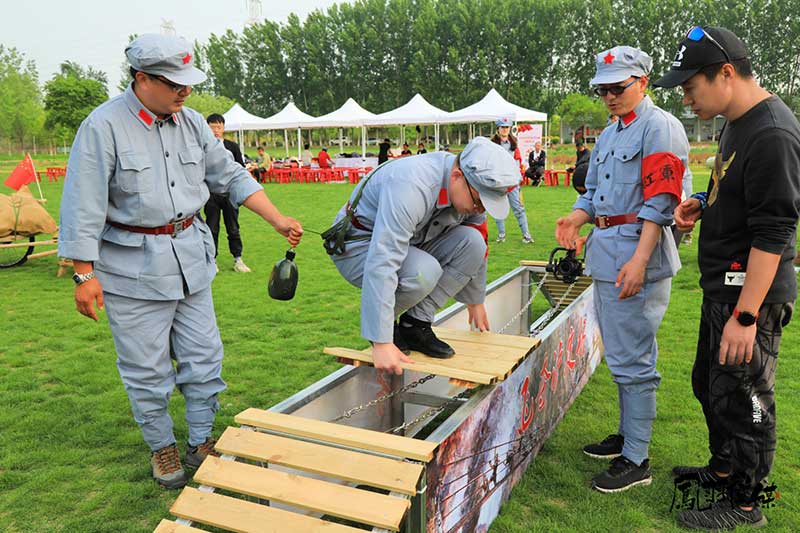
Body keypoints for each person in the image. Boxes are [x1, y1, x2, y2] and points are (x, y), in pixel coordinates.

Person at [58, 34, 303, 490]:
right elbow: (81, 205)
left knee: (204, 358)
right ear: (141, 79)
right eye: (173, 82)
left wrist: (274, 218)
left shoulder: (191, 123)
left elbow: (230, 176)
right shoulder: (103, 127)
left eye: (187, 82)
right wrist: (83, 274)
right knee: (147, 370)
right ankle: (162, 447)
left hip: (191, 258)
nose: (184, 91)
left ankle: (201, 440)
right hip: (132, 269)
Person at [654, 26, 799, 530]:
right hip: (723, 290)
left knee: (750, 399)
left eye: (691, 86)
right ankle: (722, 469)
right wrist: (702, 203)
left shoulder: (773, 133)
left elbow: (775, 231)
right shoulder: (735, 121)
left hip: (749, 300)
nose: (687, 98)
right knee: (709, 385)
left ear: (727, 74)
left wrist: (745, 315)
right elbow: (733, 189)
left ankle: (746, 503)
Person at [555, 45, 689, 493]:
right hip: (608, 254)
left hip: (638, 258)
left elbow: (662, 202)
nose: (610, 96)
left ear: (643, 82)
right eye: (603, 89)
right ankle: (627, 437)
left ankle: (637, 458)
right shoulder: (612, 132)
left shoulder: (661, 127)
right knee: (621, 355)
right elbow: (592, 193)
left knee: (634, 361)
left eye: (619, 87)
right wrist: (575, 218)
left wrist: (638, 259)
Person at [324, 137, 520, 374]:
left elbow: (480, 237)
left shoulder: (468, 186)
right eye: (479, 202)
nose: (480, 210)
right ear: (457, 176)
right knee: (424, 271)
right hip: (359, 245)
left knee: (473, 243)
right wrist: (381, 340)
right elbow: (383, 259)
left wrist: (475, 299)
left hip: (413, 241)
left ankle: (415, 324)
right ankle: (387, 326)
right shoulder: (411, 186)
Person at [204, 114, 252, 273]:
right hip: (211, 195)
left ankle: (238, 259)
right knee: (212, 228)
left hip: (230, 194)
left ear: (223, 128)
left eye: (218, 127)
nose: (215, 131)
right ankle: (212, 260)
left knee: (233, 228)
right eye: (212, 127)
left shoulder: (232, 147)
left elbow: (240, 169)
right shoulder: (203, 147)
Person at [491, 118, 533, 244]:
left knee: (519, 209)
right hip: (498, 182)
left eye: (507, 127)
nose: (504, 129)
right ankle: (501, 235)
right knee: (498, 209)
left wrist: (518, 182)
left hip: (512, 182)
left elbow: (518, 163)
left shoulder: (514, 144)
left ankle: (526, 235)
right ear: (498, 129)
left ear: (509, 129)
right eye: (502, 127)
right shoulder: (492, 144)